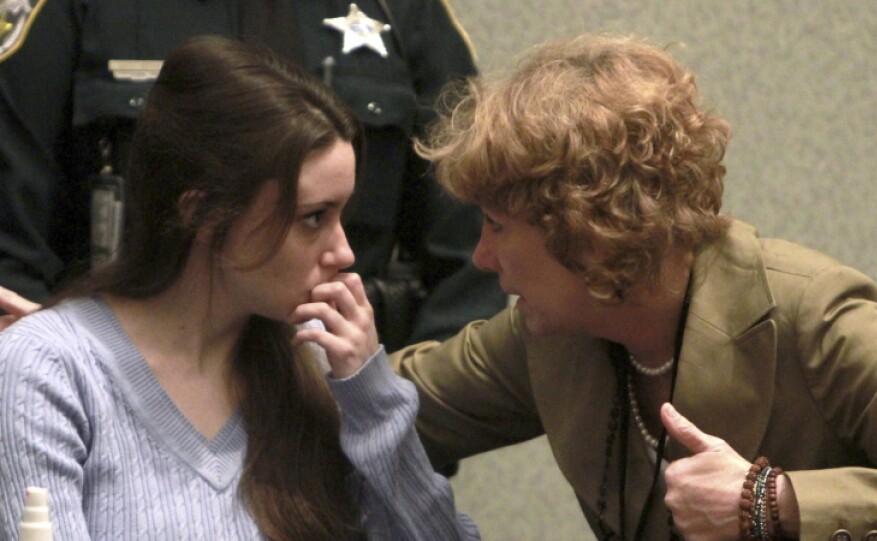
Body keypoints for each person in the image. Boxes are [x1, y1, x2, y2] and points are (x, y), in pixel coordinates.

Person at [389, 33, 877, 541]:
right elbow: (387, 410)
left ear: (587, 228)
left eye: (496, 225)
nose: (482, 257)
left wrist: (771, 500)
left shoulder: (817, 313)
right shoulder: (552, 333)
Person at [0, 35, 479, 541]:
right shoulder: (48, 369)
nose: (343, 252)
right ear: (202, 214)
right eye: (314, 218)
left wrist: (375, 400)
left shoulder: (316, 362)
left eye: (343, 214)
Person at [0, 0, 506, 352]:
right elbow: (12, 244)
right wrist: (67, 385)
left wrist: (391, 416)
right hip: (123, 379)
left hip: (341, 391)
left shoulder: (402, 11)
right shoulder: (76, 10)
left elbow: (474, 250)